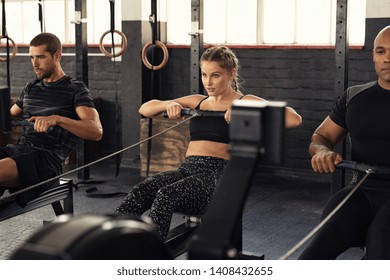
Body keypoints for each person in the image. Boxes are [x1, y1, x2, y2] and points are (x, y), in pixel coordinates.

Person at [114, 45, 302, 239]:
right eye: (204, 75)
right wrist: (168, 105)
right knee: (141, 190)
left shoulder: (246, 100)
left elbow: (294, 119)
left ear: (231, 73)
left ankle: (151, 256)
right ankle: (111, 245)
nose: (208, 82)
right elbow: (145, 109)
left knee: (166, 195)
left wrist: (249, 111)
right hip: (187, 170)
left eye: (215, 75)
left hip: (218, 177)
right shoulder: (198, 101)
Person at [299, 26, 390, 260]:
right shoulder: (354, 97)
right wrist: (321, 151)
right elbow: (322, 137)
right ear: (373, 56)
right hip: (361, 188)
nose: (387, 58)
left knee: (380, 244)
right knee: (315, 251)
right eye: (381, 51)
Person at [0, 32, 103, 208]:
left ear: (57, 56)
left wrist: (57, 119)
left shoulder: (76, 90)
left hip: (46, 161)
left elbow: (96, 131)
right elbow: (8, 114)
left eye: (40, 57)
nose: (35, 64)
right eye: (32, 57)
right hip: (19, 151)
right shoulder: (31, 88)